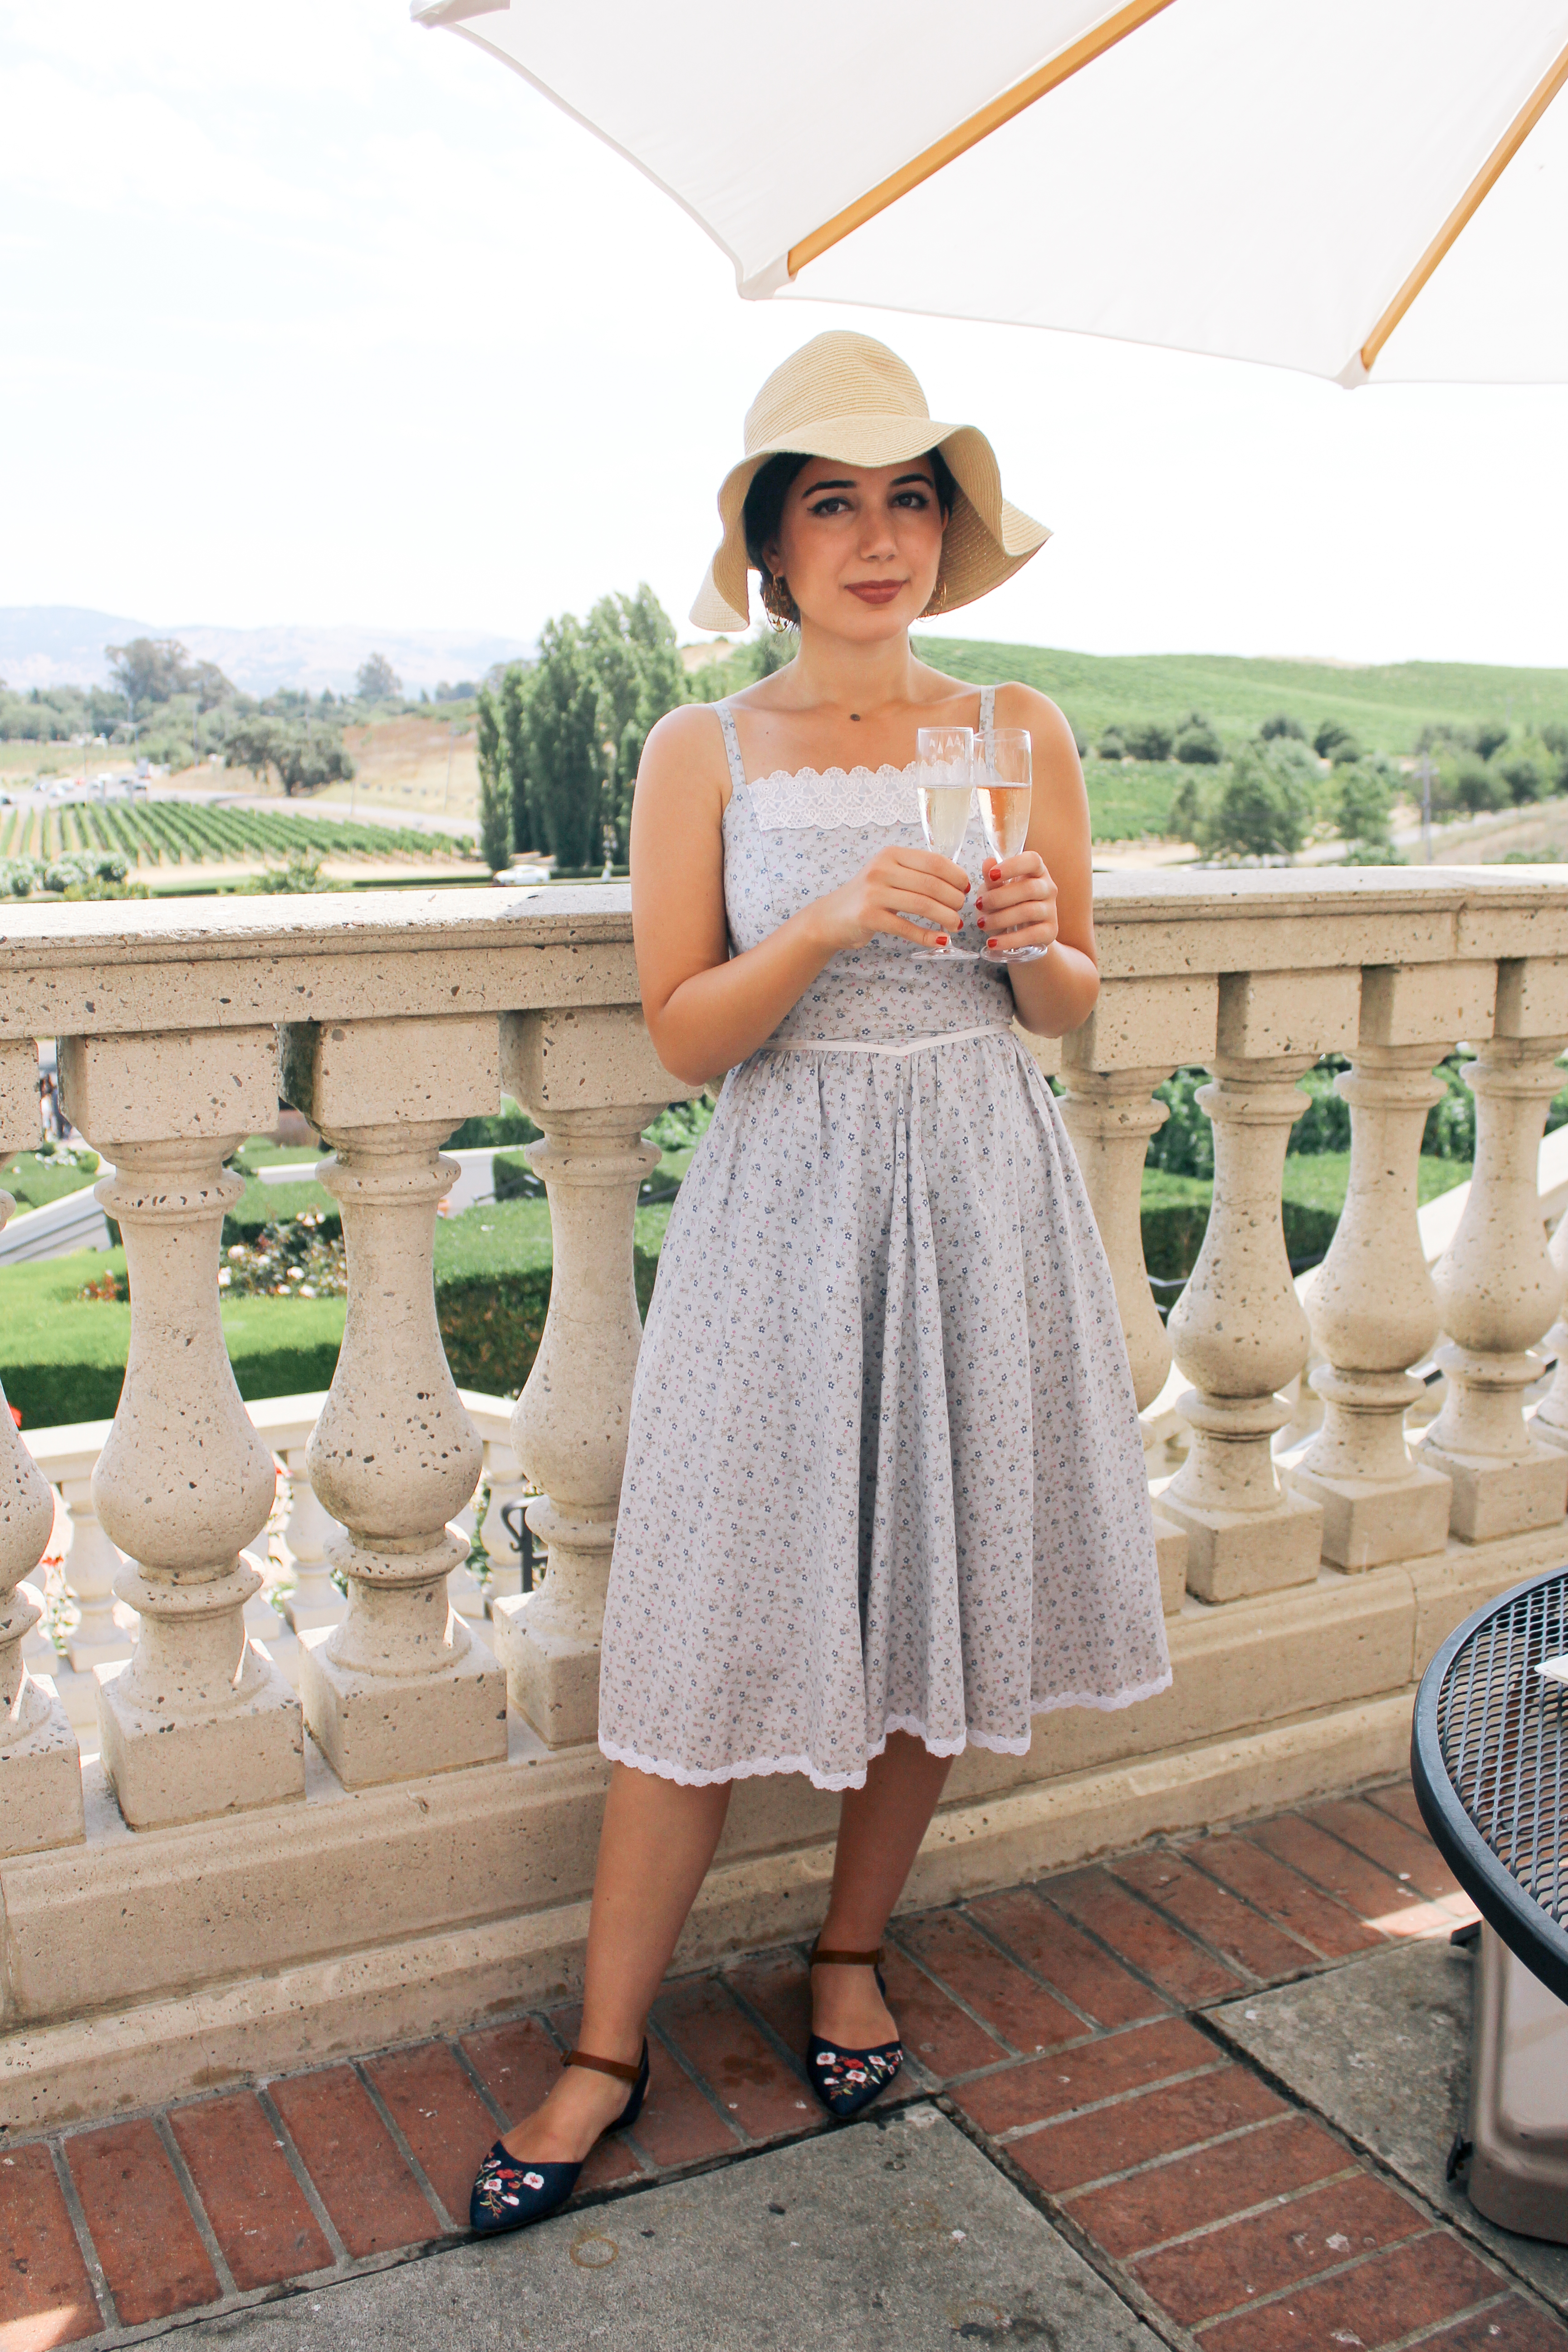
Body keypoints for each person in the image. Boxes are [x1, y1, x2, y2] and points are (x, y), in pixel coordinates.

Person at [470, 332, 1170, 2235]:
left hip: (976, 1182)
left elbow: (1078, 1001)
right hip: (787, 1200)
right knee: (704, 1613)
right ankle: (608, 2049)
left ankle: (850, 1952)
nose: (880, 538)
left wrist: (1037, 945)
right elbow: (685, 1029)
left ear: (951, 527)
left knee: (947, 1570)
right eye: (834, 503)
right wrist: (834, 917)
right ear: (774, 546)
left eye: (911, 497)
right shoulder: (702, 745)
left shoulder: (1018, 730)